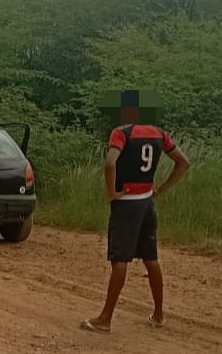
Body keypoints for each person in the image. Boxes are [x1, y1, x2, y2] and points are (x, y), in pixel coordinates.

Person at [81, 90, 190, 334]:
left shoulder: (122, 133)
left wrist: (111, 192)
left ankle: (105, 318)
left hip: (127, 203)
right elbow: (183, 162)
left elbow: (110, 163)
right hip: (147, 202)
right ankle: (159, 315)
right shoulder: (160, 134)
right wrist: (161, 189)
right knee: (151, 258)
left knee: (120, 260)